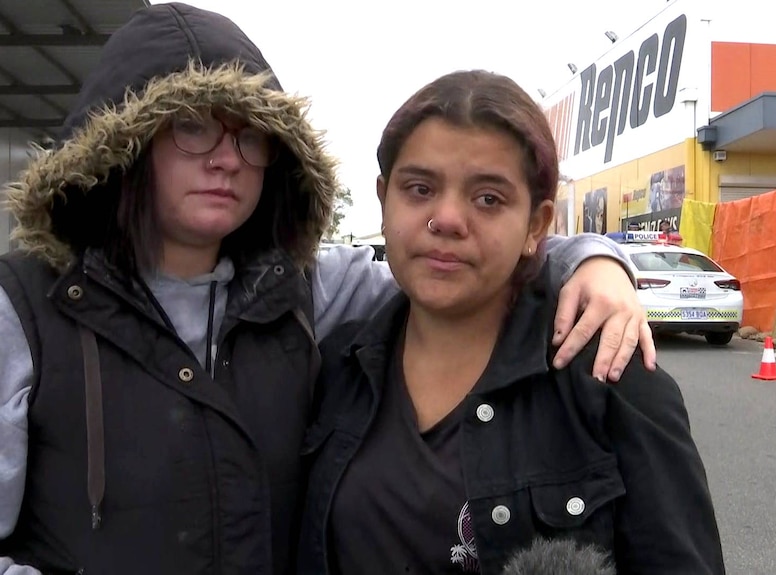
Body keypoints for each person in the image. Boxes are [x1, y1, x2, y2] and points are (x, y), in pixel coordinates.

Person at [0, 4, 655, 575]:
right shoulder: (27, 308)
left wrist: (596, 261)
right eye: (192, 126)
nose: (227, 157)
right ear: (124, 142)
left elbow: (456, 261)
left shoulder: (306, 291)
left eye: (249, 134)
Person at [297, 70, 725, 574]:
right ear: (383, 198)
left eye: (488, 199)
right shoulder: (332, 368)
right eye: (419, 189)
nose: (447, 219)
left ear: (536, 226)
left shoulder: (608, 378)